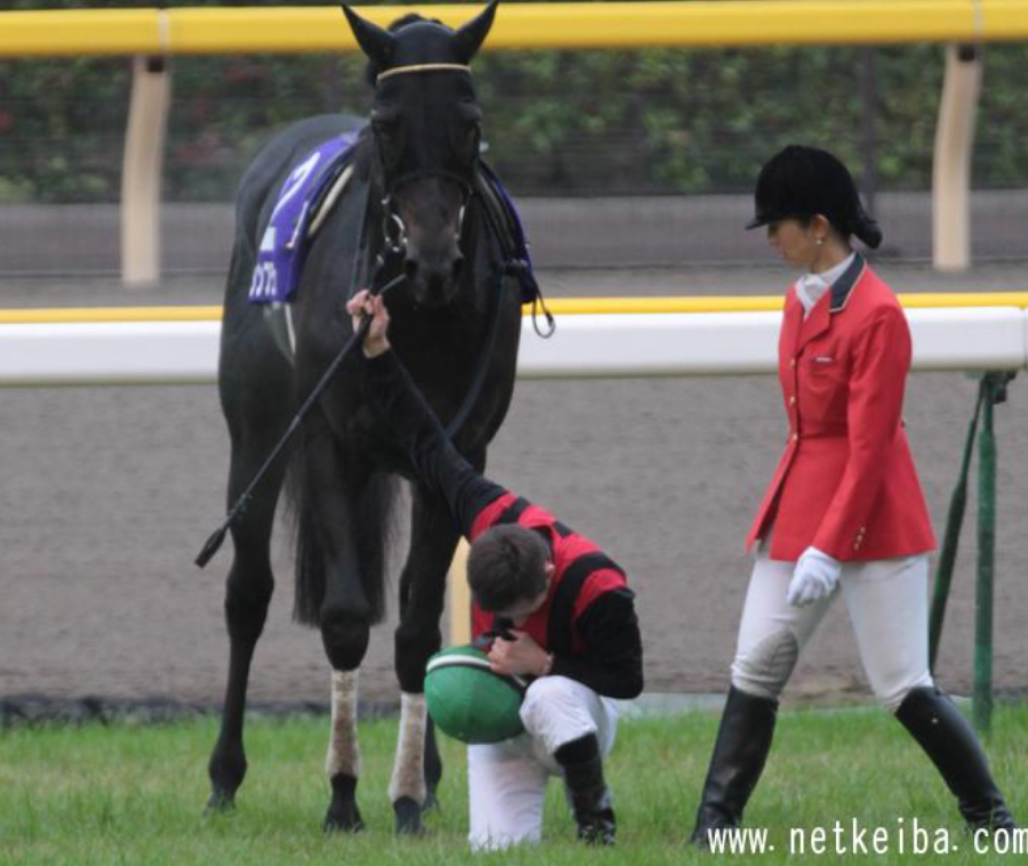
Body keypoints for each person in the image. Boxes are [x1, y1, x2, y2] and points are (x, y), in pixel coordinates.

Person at [688, 145, 1017, 844]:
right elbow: (806, 431)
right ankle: (714, 830)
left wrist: (829, 548)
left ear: (816, 225)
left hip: (874, 519)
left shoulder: (878, 314)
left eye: (776, 227)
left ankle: (992, 818)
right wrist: (800, 539)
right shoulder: (796, 301)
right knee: (755, 667)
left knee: (901, 683)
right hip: (798, 505)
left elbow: (869, 451)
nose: (770, 240)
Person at [346, 289, 644, 850]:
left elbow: (630, 681)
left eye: (518, 614)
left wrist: (547, 661)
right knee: (496, 850)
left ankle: (595, 826)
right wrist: (379, 346)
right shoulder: (484, 511)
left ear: (548, 576)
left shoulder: (602, 586)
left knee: (546, 696)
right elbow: (425, 438)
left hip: (581, 714)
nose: (507, 623)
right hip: (508, 717)